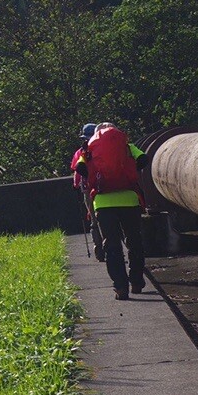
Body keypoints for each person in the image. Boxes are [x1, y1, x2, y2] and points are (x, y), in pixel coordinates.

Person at [75, 122, 147, 300]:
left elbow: (80, 168)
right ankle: (136, 281)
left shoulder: (88, 149)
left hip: (103, 203)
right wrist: (127, 172)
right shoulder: (127, 146)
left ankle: (121, 288)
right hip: (129, 199)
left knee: (112, 246)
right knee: (134, 241)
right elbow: (143, 160)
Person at [71, 123, 105, 262]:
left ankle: (99, 250)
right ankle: (110, 247)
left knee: (94, 220)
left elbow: (76, 172)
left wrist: (76, 185)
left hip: (87, 189)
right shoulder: (103, 149)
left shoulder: (80, 152)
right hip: (103, 187)